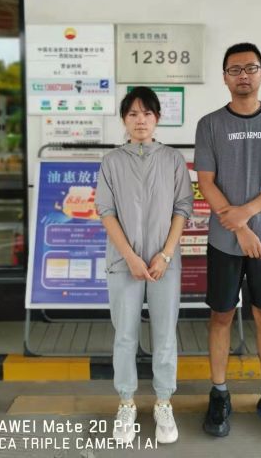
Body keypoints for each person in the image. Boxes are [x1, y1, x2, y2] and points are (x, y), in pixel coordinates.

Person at [194, 42, 261, 442]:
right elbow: (206, 182)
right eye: (235, 69)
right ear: (224, 77)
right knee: (221, 316)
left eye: (250, 68)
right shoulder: (209, 124)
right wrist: (238, 226)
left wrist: (247, 213)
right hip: (224, 240)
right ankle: (219, 393)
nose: (243, 75)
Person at [95, 86, 193, 445]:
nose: (140, 120)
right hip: (125, 263)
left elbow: (183, 208)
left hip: (164, 263)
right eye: (133, 114)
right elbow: (106, 211)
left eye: (147, 113)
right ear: (124, 119)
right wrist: (131, 257)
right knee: (125, 334)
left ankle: (163, 402)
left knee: (165, 334)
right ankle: (126, 402)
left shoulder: (172, 160)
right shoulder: (111, 162)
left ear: (157, 118)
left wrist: (165, 254)